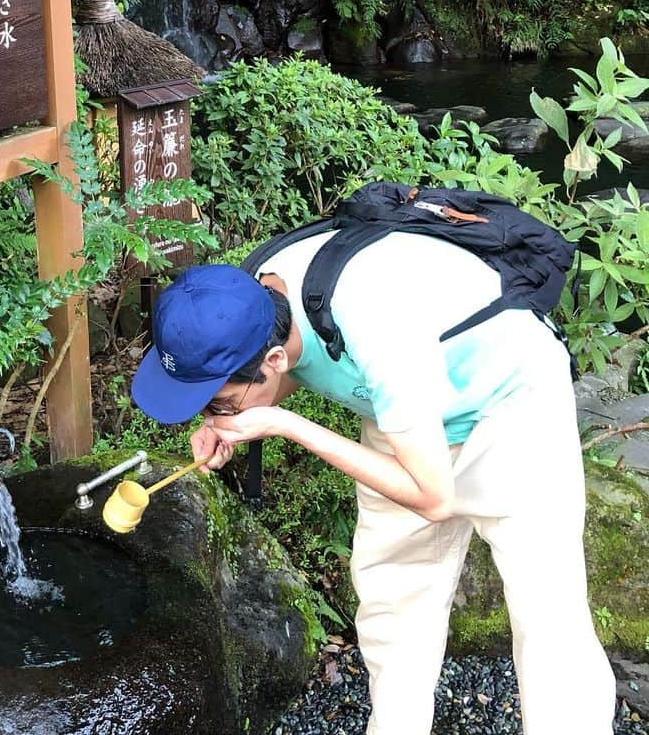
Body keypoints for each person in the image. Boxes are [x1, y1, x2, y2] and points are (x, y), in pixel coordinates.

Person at [130, 238, 615, 735]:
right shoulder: (250, 301)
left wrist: (285, 424)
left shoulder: (376, 325)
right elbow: (298, 363)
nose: (216, 414)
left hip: (511, 399)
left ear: (272, 359)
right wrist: (225, 421)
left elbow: (434, 498)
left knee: (547, 613)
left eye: (220, 403)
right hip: (404, 411)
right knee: (393, 602)